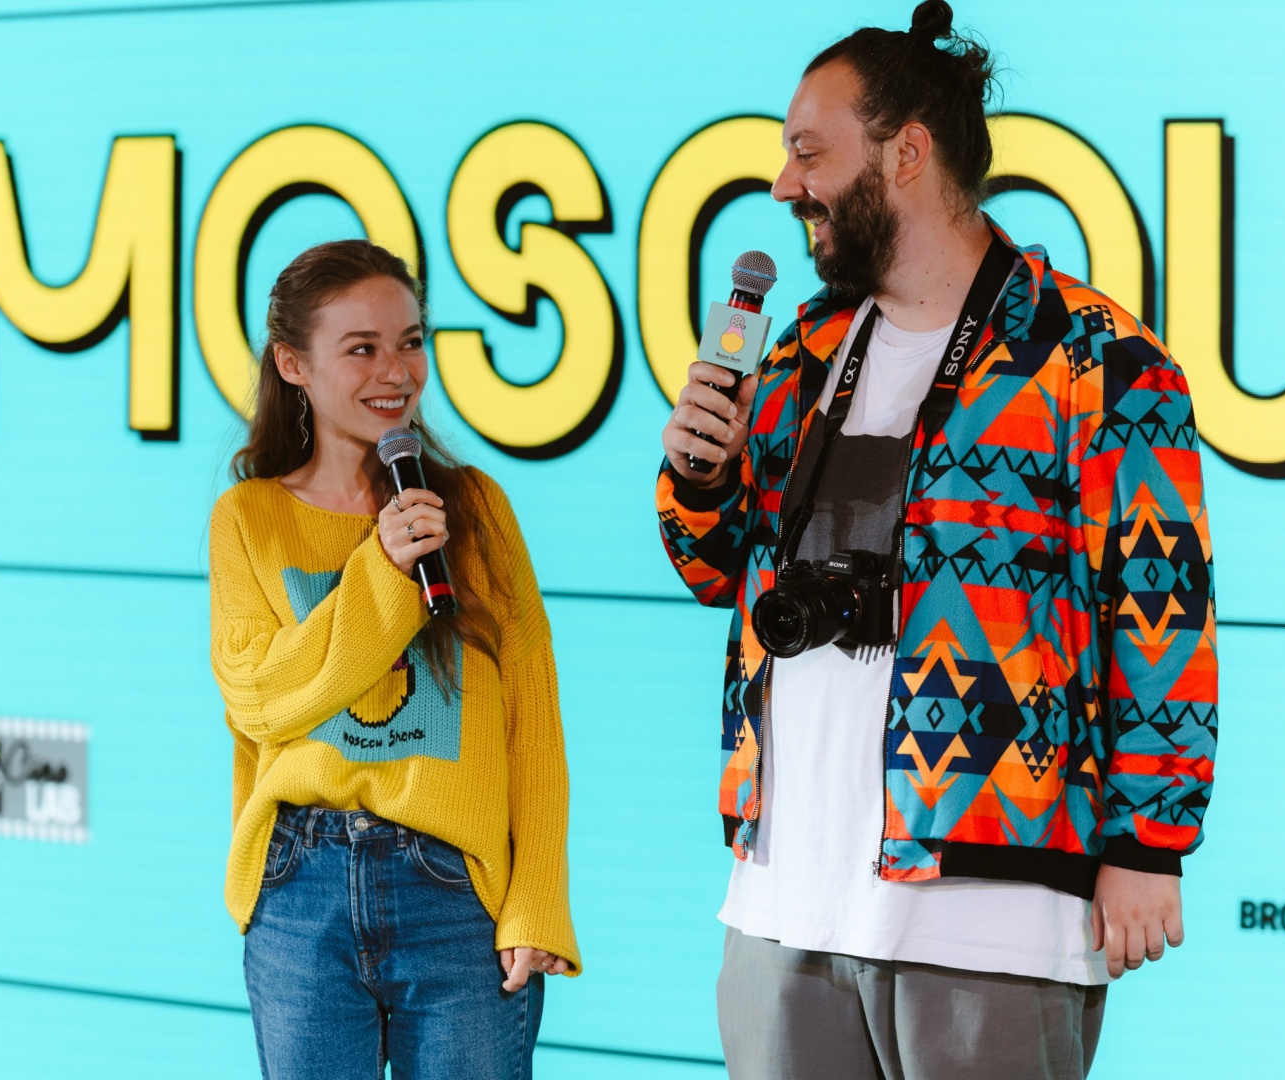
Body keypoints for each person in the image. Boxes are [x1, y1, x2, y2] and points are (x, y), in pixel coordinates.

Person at [656, 3, 1218, 1077]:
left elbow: (1160, 608)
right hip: (784, 898)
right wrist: (699, 477)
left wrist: (1151, 841)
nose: (783, 186)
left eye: (809, 153)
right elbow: (715, 569)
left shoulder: (1094, 357)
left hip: (992, 904)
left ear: (905, 152)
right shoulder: (800, 351)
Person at [208, 240, 577, 1080]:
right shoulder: (250, 519)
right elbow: (259, 699)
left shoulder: (472, 508)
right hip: (301, 887)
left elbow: (531, 712)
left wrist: (538, 899)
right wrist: (382, 571)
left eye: (410, 342)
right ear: (294, 365)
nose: (396, 371)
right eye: (362, 348)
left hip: (454, 890)